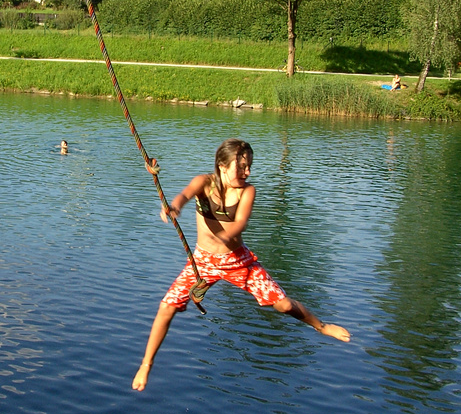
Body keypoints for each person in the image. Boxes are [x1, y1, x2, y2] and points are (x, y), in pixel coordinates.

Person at [132, 138, 350, 391]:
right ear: (222, 166)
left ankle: (321, 327)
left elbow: (241, 222)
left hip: (237, 261)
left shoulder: (247, 191)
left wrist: (225, 236)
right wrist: (174, 208)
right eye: (241, 167)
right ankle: (146, 364)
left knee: (284, 304)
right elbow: (183, 196)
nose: (247, 172)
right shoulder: (204, 182)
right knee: (166, 306)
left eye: (249, 167)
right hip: (202, 262)